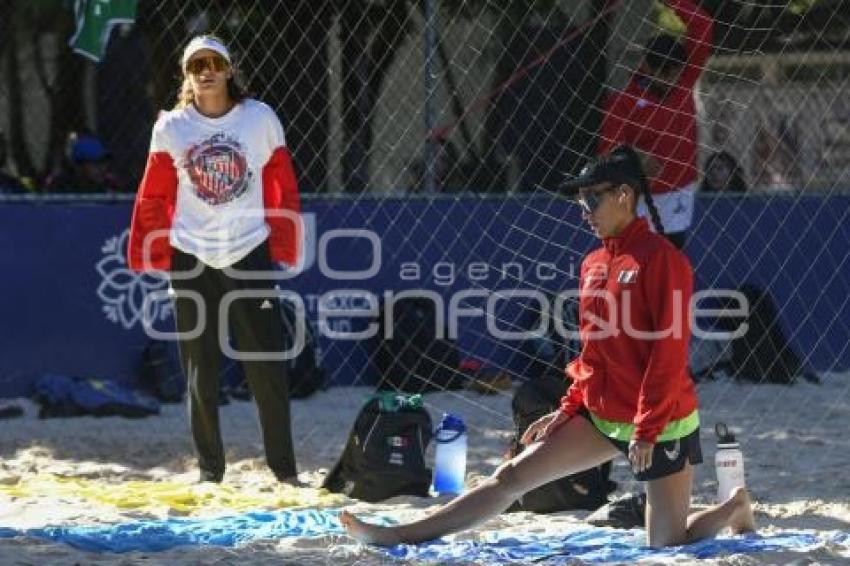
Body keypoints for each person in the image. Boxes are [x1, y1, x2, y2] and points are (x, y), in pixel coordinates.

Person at [340, 146, 755, 548]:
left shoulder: (662, 260)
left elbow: (666, 355)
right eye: (580, 200)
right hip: (603, 415)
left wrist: (646, 431)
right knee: (509, 478)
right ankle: (396, 535)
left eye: (593, 199)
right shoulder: (593, 263)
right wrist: (568, 408)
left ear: (624, 196)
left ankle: (733, 507)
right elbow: (593, 354)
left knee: (666, 544)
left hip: (661, 421)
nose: (583, 210)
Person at [126, 35, 303, 484]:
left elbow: (281, 183)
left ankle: (284, 471)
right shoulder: (171, 127)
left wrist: (283, 242)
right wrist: (155, 249)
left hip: (248, 252)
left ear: (228, 69)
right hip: (191, 257)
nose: (206, 71)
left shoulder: (259, 119)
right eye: (195, 65)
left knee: (266, 366)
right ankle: (210, 472)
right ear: (186, 75)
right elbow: (154, 195)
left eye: (214, 63)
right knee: (200, 373)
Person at [597, 0, 713, 249]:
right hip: (639, 201)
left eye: (676, 74)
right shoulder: (623, 104)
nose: (672, 81)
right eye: (666, 74)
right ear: (648, 67)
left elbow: (703, 25)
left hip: (679, 194)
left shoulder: (684, 79)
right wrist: (633, 157)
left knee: (671, 267)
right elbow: (606, 152)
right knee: (636, 269)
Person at [44, 132, 123, 193]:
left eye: (103, 163)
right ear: (79, 166)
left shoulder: (109, 185)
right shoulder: (63, 187)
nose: (101, 169)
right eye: (95, 164)